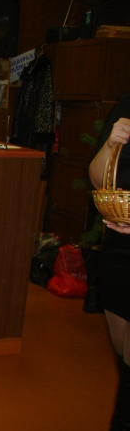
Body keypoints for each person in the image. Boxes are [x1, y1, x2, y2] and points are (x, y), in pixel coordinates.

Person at [89, 91, 130, 431]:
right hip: (120, 243)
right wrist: (110, 143)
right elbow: (97, 177)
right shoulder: (128, 103)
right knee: (122, 351)